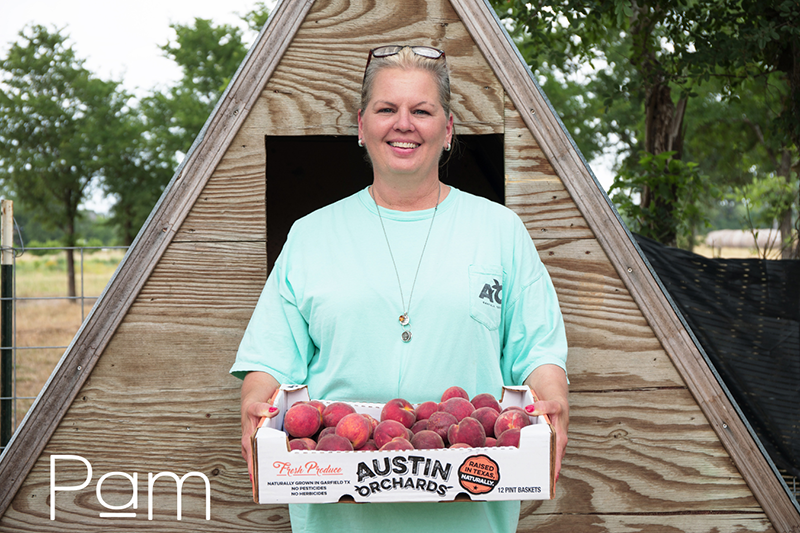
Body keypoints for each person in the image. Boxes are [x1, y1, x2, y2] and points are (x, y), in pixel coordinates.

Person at [232, 44, 569, 533]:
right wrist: (255, 405)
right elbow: (270, 360)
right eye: (387, 109)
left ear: (447, 129)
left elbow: (538, 349)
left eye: (422, 111)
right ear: (363, 127)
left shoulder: (499, 230)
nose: (403, 124)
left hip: (471, 510)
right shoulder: (311, 235)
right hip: (338, 513)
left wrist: (553, 400)